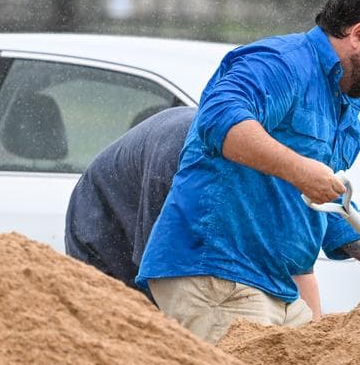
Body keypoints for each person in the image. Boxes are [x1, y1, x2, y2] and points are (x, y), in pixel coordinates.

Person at [136, 0, 360, 345]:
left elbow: (324, 199)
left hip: (278, 286)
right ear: (358, 34)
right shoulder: (281, 64)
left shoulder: (343, 109)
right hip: (218, 274)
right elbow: (218, 120)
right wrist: (301, 170)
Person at [65, 106, 321, 318]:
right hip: (104, 230)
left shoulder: (272, 169)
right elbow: (164, 270)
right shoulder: (181, 163)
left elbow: (298, 264)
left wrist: (314, 340)